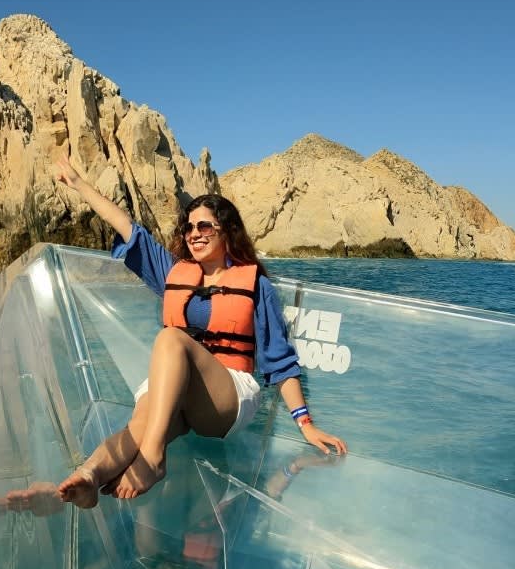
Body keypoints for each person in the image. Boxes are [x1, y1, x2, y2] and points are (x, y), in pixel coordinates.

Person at [52, 157, 346, 507]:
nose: (194, 233)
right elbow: (129, 228)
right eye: (188, 227)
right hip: (177, 390)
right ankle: (89, 475)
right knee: (139, 424)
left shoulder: (256, 285)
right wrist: (78, 184)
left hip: (228, 397)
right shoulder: (174, 273)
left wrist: (306, 424)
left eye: (204, 226)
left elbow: (279, 361)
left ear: (226, 231)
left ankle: (153, 458)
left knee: (170, 338)